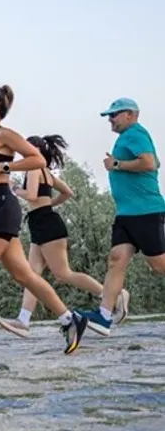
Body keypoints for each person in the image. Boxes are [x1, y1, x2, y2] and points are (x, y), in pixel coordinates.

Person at [0, 84, 87, 358]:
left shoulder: (4, 135)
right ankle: (71, 319)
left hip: (1, 208)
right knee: (23, 274)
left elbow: (37, 159)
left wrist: (5, 166)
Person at [0, 135, 129, 338]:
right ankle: (23, 320)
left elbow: (31, 195)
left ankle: (114, 296)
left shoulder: (33, 169)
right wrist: (48, 204)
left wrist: (15, 189)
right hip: (41, 223)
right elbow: (67, 192)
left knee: (63, 274)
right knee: (31, 275)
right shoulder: (46, 172)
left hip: (47, 225)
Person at [78, 98, 165, 335]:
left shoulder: (136, 133)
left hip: (145, 211)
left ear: (130, 114)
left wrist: (116, 164)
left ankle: (105, 315)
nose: (110, 119)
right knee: (116, 259)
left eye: (114, 115)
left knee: (159, 265)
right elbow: (154, 160)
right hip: (126, 214)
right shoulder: (127, 138)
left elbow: (149, 163)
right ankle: (104, 316)